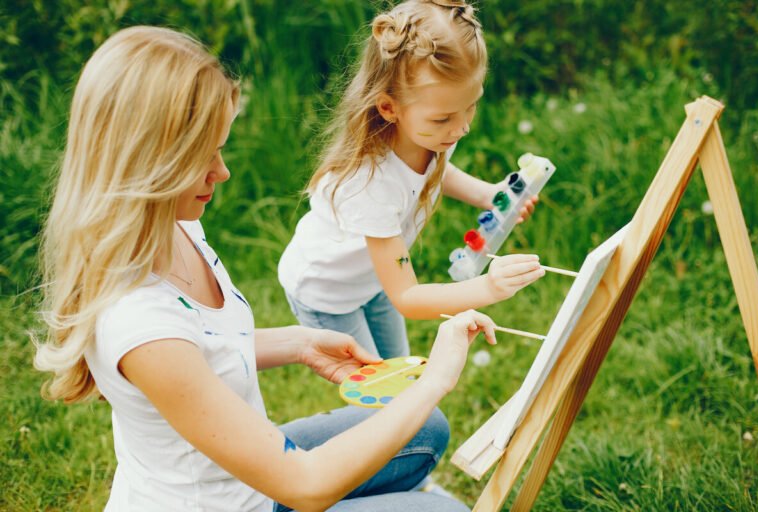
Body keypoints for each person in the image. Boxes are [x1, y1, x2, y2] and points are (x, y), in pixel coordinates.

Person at [33, 25, 501, 512]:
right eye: (202, 157)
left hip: (251, 481)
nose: (222, 171)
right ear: (147, 164)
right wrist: (435, 380)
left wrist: (299, 344)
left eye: (220, 148)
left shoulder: (173, 226)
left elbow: (203, 352)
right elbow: (305, 484)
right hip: (249, 500)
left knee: (425, 430)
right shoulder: (140, 322)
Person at [278, 0, 545, 360]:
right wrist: (489, 287)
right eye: (444, 118)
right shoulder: (370, 184)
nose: (462, 127)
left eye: (471, 106)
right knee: (378, 392)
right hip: (328, 294)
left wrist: (489, 194)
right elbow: (406, 297)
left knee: (401, 368)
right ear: (389, 107)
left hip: (374, 280)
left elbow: (437, 171)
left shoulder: (428, 137)